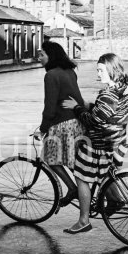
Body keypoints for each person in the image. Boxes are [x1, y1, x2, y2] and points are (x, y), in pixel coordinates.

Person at [62, 53, 128, 234]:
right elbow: (107, 112)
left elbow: (93, 121)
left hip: (100, 143)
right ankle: (115, 200)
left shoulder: (109, 93)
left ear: (111, 70)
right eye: (97, 70)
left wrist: (76, 108)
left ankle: (83, 221)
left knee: (81, 177)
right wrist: (89, 104)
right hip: (117, 139)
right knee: (105, 175)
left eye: (101, 70)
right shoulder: (123, 87)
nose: (98, 74)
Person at [35, 41, 85, 206]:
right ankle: (82, 192)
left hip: (62, 124)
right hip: (76, 122)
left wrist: (42, 129)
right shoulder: (69, 71)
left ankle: (73, 189)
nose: (39, 58)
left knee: (50, 159)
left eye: (42, 54)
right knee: (74, 161)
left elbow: (49, 107)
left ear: (51, 55)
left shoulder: (51, 75)